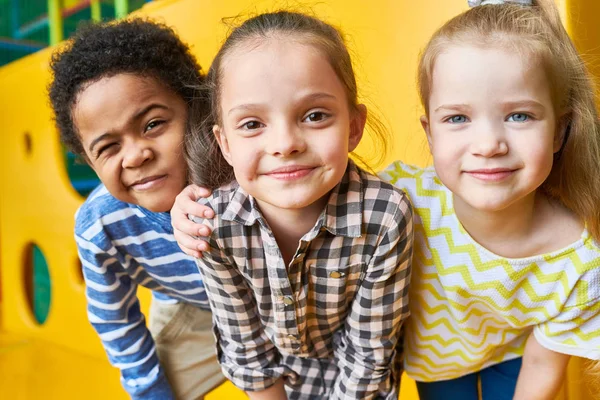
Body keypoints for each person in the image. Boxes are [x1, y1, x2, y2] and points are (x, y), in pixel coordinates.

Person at [173, 1, 600, 399]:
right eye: (458, 118)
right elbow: (243, 346)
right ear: (430, 131)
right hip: (432, 365)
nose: (488, 144)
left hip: (506, 355)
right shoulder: (214, 226)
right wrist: (179, 211)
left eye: (519, 115)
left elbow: (541, 365)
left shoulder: (389, 209)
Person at [182, 11, 414, 400]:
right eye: (253, 124)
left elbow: (368, 355)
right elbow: (245, 345)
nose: (285, 143)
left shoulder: (385, 216)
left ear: (353, 127)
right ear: (224, 144)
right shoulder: (213, 224)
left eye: (314, 116)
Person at [48, 19, 224, 400]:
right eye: (108, 148)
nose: (136, 154)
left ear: (197, 108)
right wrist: (150, 390)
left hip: (283, 304)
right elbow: (115, 318)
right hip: (192, 313)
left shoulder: (240, 174)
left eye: (153, 124)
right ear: (89, 163)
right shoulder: (102, 224)